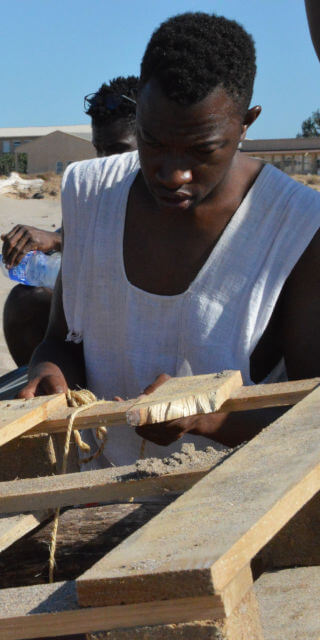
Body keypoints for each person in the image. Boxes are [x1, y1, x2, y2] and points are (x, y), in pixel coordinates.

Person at [20, 12, 320, 467]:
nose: (172, 173)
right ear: (137, 112)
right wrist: (48, 369)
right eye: (153, 141)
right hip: (97, 483)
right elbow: (63, 338)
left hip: (221, 501)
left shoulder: (296, 226)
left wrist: (206, 418)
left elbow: (309, 415)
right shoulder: (90, 193)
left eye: (202, 150)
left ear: (246, 124)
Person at [1, 76, 138, 366]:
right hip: (100, 303)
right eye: (98, 150)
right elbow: (76, 231)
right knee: (26, 300)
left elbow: (145, 244)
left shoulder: (168, 185)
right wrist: (43, 242)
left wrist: (60, 239)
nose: (104, 162)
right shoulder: (95, 183)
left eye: (117, 151)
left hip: (146, 310)